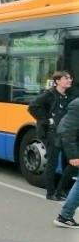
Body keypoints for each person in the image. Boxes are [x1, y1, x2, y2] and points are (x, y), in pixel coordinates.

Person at [28, 70, 75, 201]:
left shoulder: (69, 95)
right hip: (52, 133)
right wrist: (45, 120)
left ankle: (62, 190)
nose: (70, 80)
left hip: (66, 133)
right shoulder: (49, 95)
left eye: (70, 78)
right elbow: (32, 107)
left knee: (70, 162)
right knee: (52, 163)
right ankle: (50, 192)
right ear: (58, 81)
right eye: (66, 78)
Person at [53, 96, 79, 228]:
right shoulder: (76, 105)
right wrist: (73, 155)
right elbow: (68, 132)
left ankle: (65, 215)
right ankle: (65, 215)